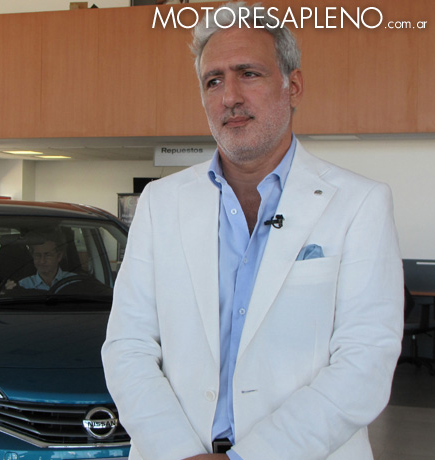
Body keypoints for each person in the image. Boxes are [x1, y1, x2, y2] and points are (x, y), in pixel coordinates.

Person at [101, 2, 404, 460]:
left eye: (249, 73)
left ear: (293, 86)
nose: (229, 97)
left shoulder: (360, 204)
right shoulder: (161, 203)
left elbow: (365, 362)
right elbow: (128, 346)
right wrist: (179, 452)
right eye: (214, 80)